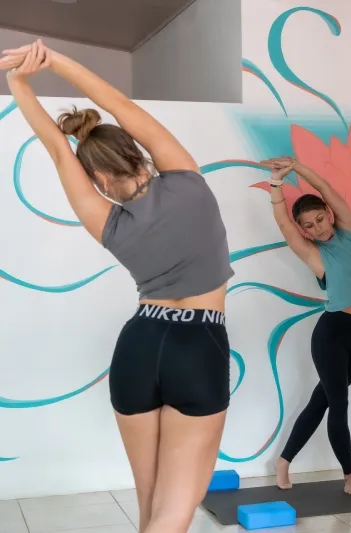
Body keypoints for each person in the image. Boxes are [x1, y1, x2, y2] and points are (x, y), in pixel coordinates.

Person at [0, 41, 234, 533]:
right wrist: (54, 61)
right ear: (134, 151)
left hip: (139, 346)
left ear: (98, 179)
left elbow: (53, 145)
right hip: (199, 344)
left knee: (150, 507)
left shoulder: (105, 220)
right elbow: (118, 106)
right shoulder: (187, 178)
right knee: (171, 517)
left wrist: (17, 83)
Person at [259, 156, 351, 496]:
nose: (318, 227)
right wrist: (276, 184)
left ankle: (284, 459)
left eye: (320, 219)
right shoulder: (315, 254)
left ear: (329, 215)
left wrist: (296, 168)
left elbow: (327, 190)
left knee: (322, 400)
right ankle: (350, 474)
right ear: (304, 230)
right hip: (333, 334)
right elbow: (284, 226)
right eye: (309, 225)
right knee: (339, 402)